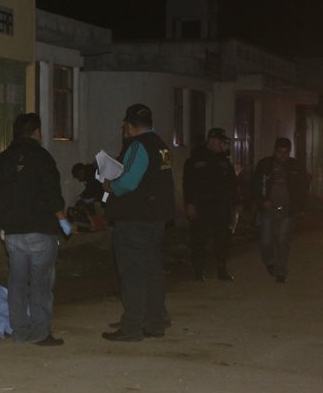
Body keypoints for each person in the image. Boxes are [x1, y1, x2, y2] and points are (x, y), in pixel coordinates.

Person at [0, 113, 68, 346]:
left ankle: (20, 331)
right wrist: (62, 220)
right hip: (40, 229)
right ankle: (40, 333)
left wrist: (4, 225)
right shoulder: (42, 157)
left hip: (13, 232)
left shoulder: (2, 159)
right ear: (36, 132)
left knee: (17, 282)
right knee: (40, 283)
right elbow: (52, 193)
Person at [101, 103, 175, 342]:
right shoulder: (161, 145)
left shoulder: (138, 145)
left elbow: (129, 181)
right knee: (152, 271)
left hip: (134, 218)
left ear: (130, 126)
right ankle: (154, 322)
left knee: (133, 272)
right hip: (156, 217)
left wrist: (110, 185)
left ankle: (132, 326)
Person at [182, 127, 240, 281]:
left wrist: (236, 203)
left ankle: (222, 269)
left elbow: (232, 184)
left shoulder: (224, 161)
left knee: (222, 239)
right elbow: (188, 184)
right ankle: (199, 271)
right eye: (220, 142)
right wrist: (190, 204)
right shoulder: (196, 159)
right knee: (199, 239)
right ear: (211, 141)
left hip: (221, 207)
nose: (221, 145)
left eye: (222, 143)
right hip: (201, 205)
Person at [252, 137, 309, 284]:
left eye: (285, 152)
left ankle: (281, 272)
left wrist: (302, 208)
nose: (282, 156)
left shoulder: (296, 166)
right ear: (274, 151)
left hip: (288, 210)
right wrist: (262, 201)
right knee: (266, 240)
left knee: (283, 241)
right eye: (279, 152)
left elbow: (303, 188)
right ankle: (269, 260)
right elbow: (256, 185)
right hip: (268, 209)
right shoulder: (265, 165)